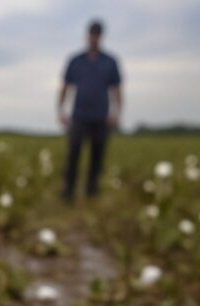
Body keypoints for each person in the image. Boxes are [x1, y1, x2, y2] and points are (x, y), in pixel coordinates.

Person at [57, 20, 122, 201]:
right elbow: (65, 87)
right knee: (73, 154)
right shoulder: (75, 60)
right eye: (92, 34)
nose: (94, 38)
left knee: (97, 156)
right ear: (87, 35)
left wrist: (116, 113)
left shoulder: (110, 62)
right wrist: (61, 111)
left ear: (101, 36)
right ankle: (68, 192)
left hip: (101, 117)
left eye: (97, 34)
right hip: (79, 116)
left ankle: (92, 193)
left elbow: (116, 89)